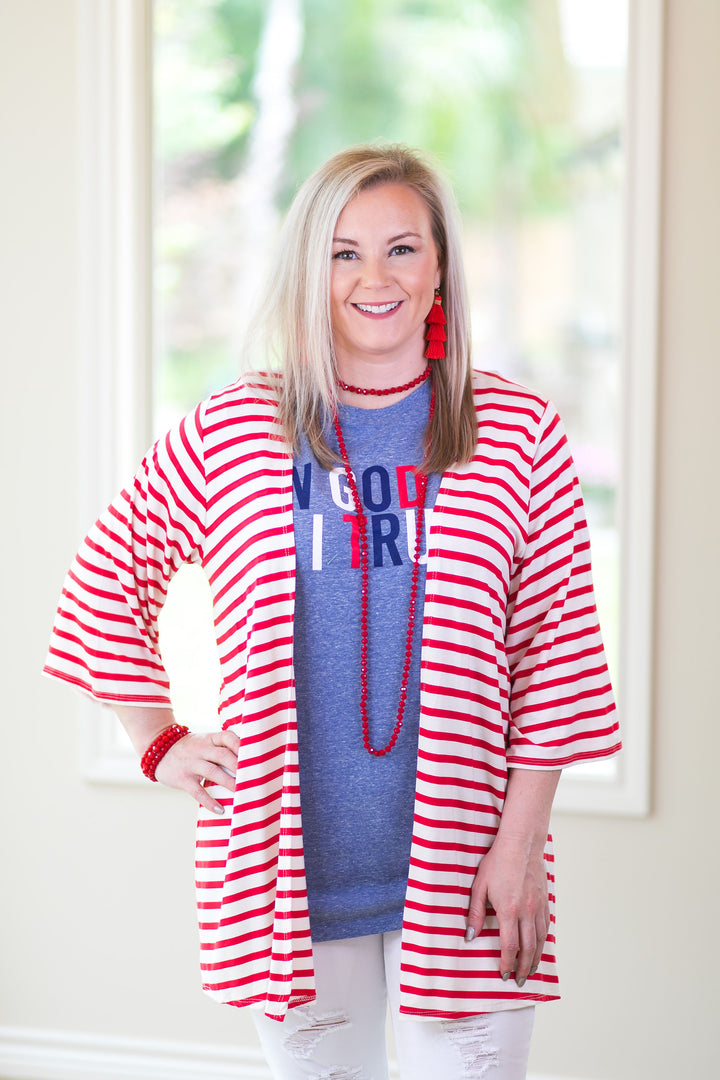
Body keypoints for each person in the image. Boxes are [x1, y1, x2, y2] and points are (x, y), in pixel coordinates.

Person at [44, 143, 621, 1080]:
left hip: (468, 863)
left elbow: (555, 655)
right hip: (285, 872)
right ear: (310, 272)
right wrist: (156, 737)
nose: (374, 278)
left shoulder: (518, 433)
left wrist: (518, 850)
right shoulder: (236, 428)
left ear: (440, 271)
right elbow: (109, 573)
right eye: (343, 253)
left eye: (402, 248)